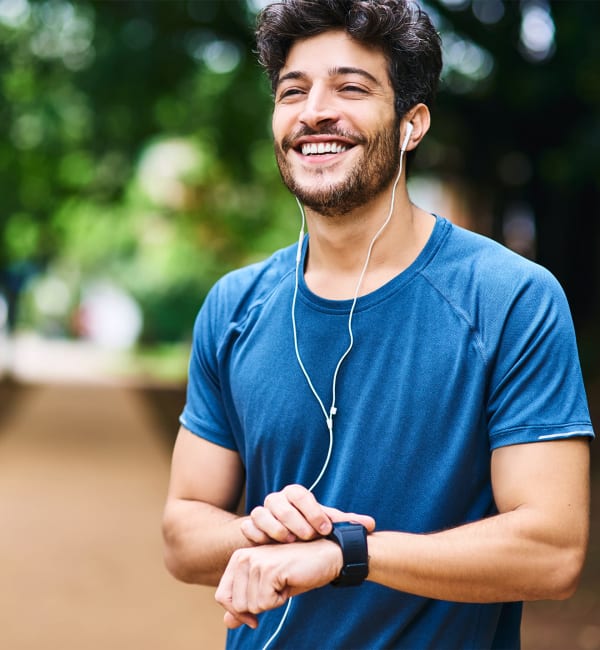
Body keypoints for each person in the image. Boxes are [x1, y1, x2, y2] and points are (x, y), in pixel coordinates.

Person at [162, 1, 594, 648]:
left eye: (351, 87)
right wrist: (267, 533)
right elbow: (182, 534)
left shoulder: (511, 300)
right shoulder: (234, 306)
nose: (314, 112)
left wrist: (345, 552)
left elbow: (552, 550)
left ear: (411, 124)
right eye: (293, 91)